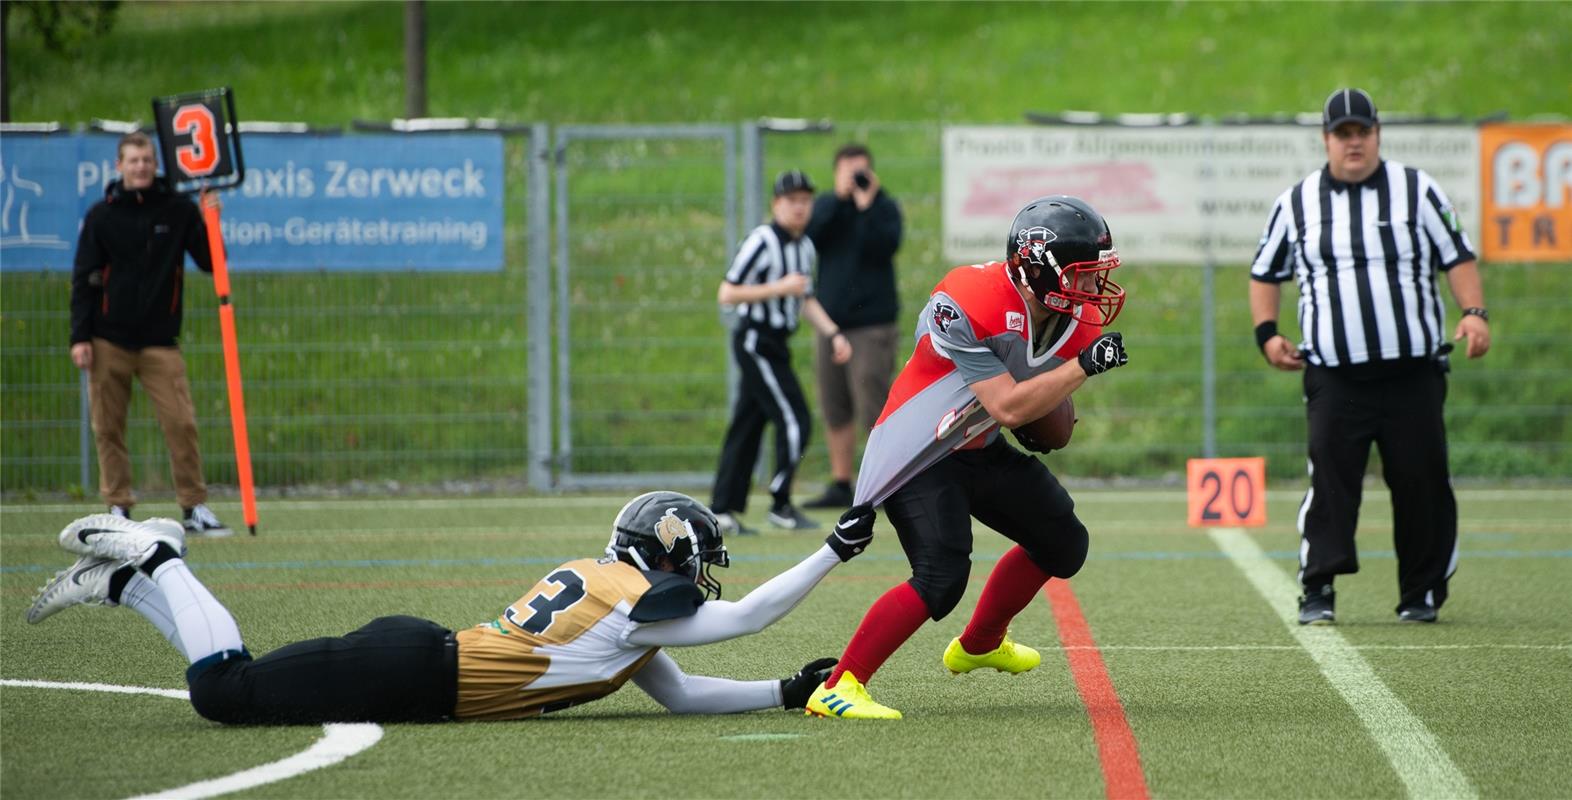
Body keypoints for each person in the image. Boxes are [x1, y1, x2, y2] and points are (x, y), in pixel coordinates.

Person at [25, 492, 879, 724]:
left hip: (420, 666)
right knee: (222, 691)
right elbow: (750, 616)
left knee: (230, 687)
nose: (703, 577)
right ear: (664, 554)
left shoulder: (617, 602)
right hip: (416, 671)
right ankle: (160, 557)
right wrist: (834, 552)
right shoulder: (633, 603)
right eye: (697, 559)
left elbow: (684, 693)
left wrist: (784, 691)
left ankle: (126, 583)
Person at [802, 196, 1130, 720]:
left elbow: (1036, 407)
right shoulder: (968, 298)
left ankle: (980, 643)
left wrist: (1056, 405)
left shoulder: (1073, 318)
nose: (1092, 290)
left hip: (976, 447)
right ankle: (840, 685)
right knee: (941, 576)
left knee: (1063, 541)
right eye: (1082, 276)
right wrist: (1083, 369)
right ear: (1036, 270)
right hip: (921, 453)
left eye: (1096, 275)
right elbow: (1004, 406)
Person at [1250, 88, 1490, 626]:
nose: (1353, 142)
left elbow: (1458, 255)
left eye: (1362, 132)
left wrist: (1474, 311)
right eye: (1343, 134)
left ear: (1377, 133)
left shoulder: (1418, 190)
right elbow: (1265, 272)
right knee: (1331, 484)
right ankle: (1318, 589)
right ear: (1326, 140)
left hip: (1413, 373)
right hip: (1336, 375)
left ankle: (1421, 591)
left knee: (1422, 481)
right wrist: (1267, 334)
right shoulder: (1297, 202)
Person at [69, 131, 230, 536]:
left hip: (160, 342)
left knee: (181, 423)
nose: (140, 166)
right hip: (108, 340)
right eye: (133, 160)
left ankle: (194, 508)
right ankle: (118, 507)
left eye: (147, 160)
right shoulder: (100, 216)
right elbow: (85, 278)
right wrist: (80, 337)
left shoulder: (178, 210)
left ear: (156, 165)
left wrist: (212, 220)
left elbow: (212, 263)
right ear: (118, 166)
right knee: (108, 426)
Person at [712, 170, 852, 534]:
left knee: (748, 423)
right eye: (792, 201)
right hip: (755, 339)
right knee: (794, 419)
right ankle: (780, 503)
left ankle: (723, 509)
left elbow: (804, 298)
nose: (800, 207)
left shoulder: (805, 247)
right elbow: (727, 293)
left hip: (777, 343)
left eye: (806, 200)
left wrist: (833, 333)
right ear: (777, 204)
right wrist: (778, 287)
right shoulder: (761, 241)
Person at [801, 144, 904, 510]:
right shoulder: (827, 209)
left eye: (861, 172)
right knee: (835, 406)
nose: (855, 178)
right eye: (848, 171)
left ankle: (887, 480)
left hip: (871, 326)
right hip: (831, 326)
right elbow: (809, 236)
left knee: (872, 404)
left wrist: (866, 204)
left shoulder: (883, 208)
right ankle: (841, 482)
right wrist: (839, 199)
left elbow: (884, 246)